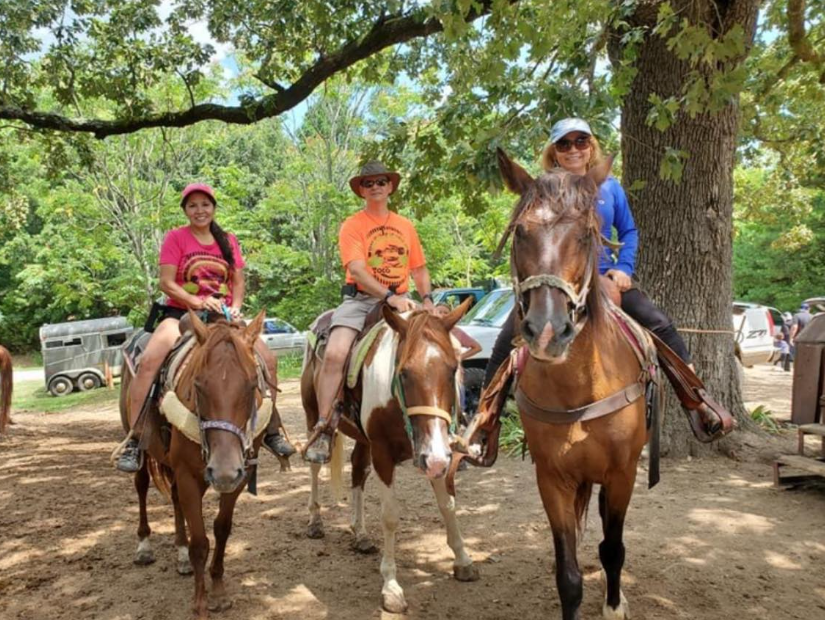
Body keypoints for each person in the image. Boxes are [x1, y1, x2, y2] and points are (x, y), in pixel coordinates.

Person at [482, 118, 712, 429]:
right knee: (504, 341)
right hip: (558, 282)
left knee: (659, 323)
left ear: (591, 148)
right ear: (554, 151)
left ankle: (698, 402)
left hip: (604, 278)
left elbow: (629, 230)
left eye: (581, 142)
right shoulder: (543, 189)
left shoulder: (610, 188)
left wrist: (623, 267)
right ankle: (484, 419)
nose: (573, 149)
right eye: (564, 144)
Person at [117, 183, 294, 472]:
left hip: (223, 316)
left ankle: (272, 429)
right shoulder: (176, 238)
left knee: (268, 358)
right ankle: (136, 438)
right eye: (193, 205)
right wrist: (196, 301)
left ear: (213, 207)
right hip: (180, 313)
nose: (200, 210)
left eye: (205, 204)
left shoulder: (227, 240)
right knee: (149, 360)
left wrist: (236, 305)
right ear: (186, 210)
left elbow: (238, 281)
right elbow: (166, 281)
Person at [304, 161, 436, 464]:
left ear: (390, 187)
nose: (375, 186)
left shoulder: (405, 226)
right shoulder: (353, 225)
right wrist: (389, 297)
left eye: (380, 181)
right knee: (336, 353)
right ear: (361, 190)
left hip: (403, 299)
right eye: (368, 183)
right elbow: (358, 271)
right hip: (361, 301)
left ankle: (454, 423)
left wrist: (427, 298)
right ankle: (324, 426)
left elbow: (419, 268)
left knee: (445, 346)